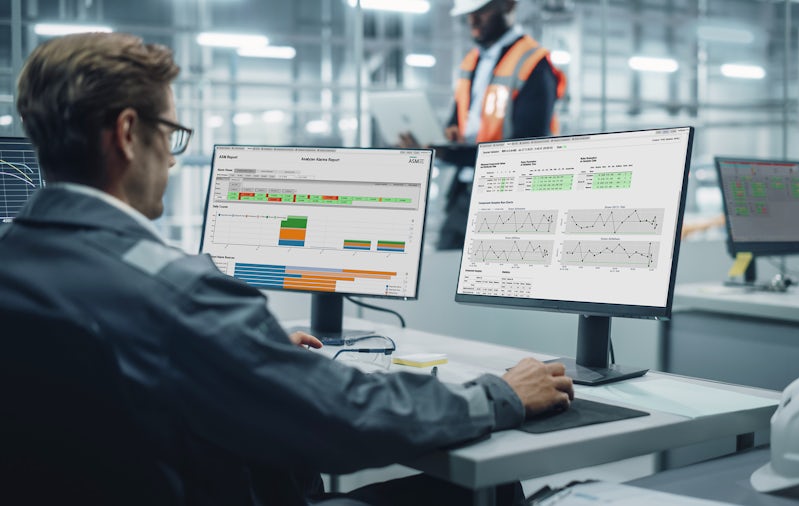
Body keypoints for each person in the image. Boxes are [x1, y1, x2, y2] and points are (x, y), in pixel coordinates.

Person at [1, 32, 574, 506]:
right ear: (128, 134)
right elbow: (347, 417)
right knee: (489, 490)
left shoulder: (17, 265)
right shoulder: (178, 297)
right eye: (170, 135)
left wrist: (245, 349)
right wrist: (498, 393)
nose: (172, 161)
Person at [402, 0, 566, 249]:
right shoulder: (472, 62)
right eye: (469, 14)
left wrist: (454, 155)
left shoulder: (534, 64)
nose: (473, 21)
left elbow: (529, 150)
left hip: (509, 204)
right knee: (445, 272)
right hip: (464, 193)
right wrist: (436, 142)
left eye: (482, 12)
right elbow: (457, 124)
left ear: (508, 6)